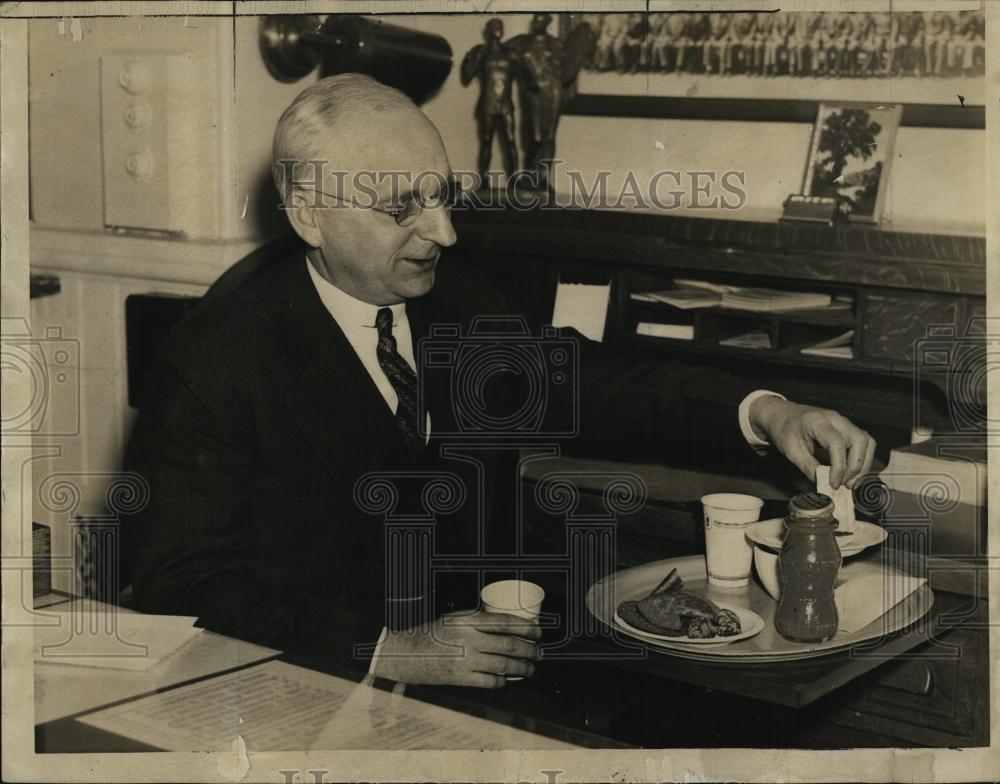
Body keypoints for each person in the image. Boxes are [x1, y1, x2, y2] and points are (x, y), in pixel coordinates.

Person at [126, 74, 877, 689]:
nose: (444, 233)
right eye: (402, 208)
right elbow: (184, 585)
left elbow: (602, 383)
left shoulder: (459, 302)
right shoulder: (214, 360)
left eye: (443, 195)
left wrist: (769, 410)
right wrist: (394, 650)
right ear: (308, 215)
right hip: (310, 692)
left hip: (485, 681)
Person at [460, 18, 518, 184]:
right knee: (486, 141)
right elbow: (468, 76)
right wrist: (468, 59)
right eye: (495, 27)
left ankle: (514, 179)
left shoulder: (510, 53)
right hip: (488, 104)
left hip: (506, 104)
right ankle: (484, 180)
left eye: (501, 26)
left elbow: (525, 76)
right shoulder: (482, 52)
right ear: (488, 31)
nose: (498, 29)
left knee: (510, 140)